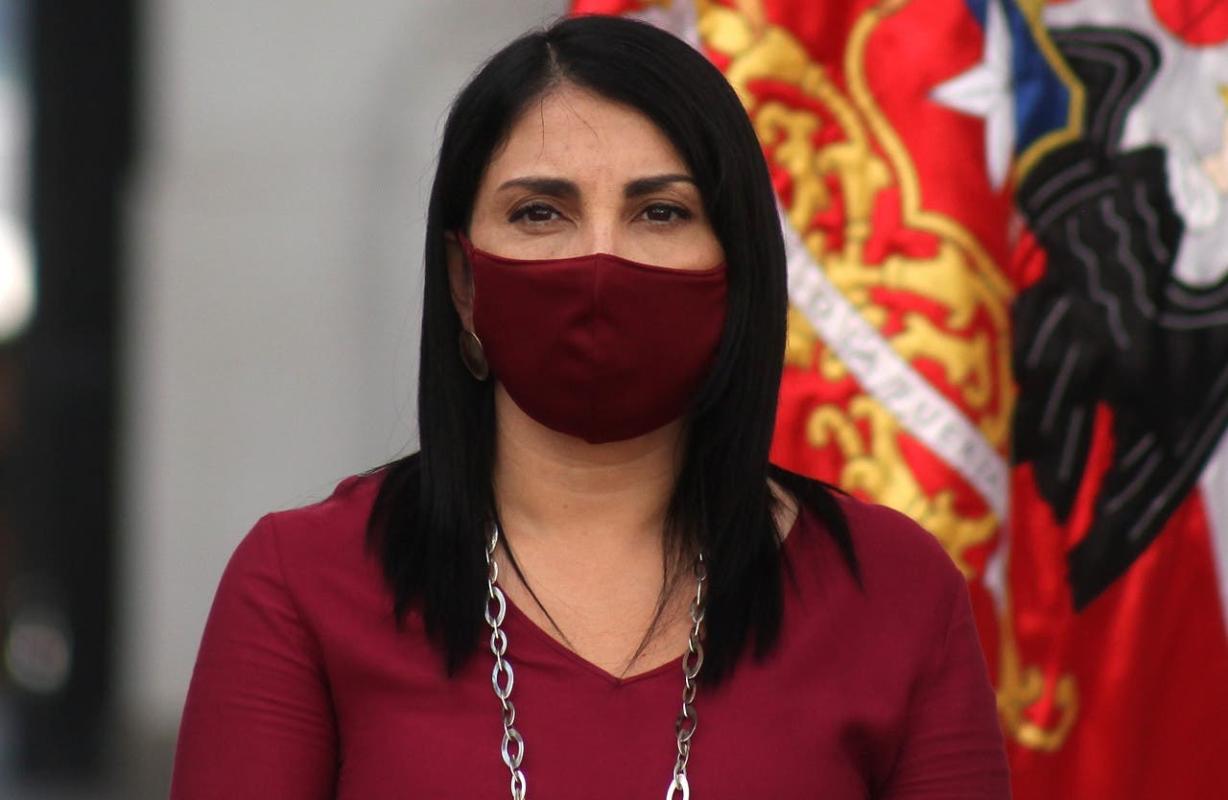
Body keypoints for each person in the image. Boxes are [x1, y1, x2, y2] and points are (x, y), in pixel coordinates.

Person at [169, 14, 1010, 800]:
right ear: (463, 283)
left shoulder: (894, 589)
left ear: (737, 272)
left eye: (661, 212)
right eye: (540, 212)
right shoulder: (301, 581)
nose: (600, 261)